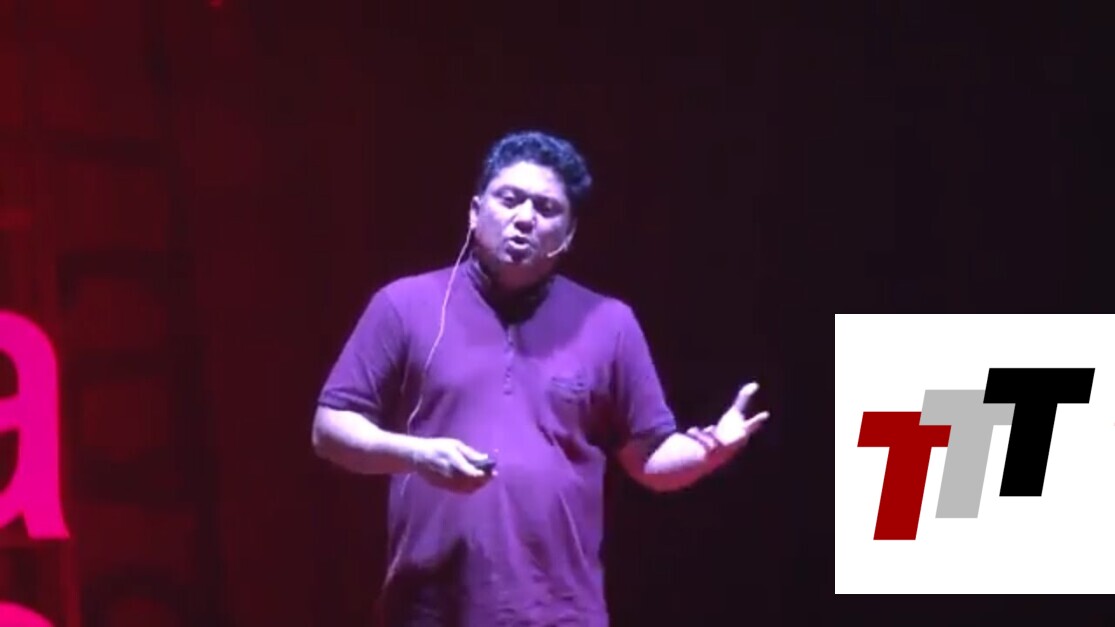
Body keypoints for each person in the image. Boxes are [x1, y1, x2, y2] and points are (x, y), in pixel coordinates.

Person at [312, 130, 770, 626]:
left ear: (568, 235)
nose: (525, 218)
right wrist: (417, 455)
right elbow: (330, 429)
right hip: (428, 611)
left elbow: (651, 460)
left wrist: (710, 450)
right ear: (474, 212)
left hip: (561, 613)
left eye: (547, 208)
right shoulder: (404, 305)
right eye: (509, 199)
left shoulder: (609, 323)